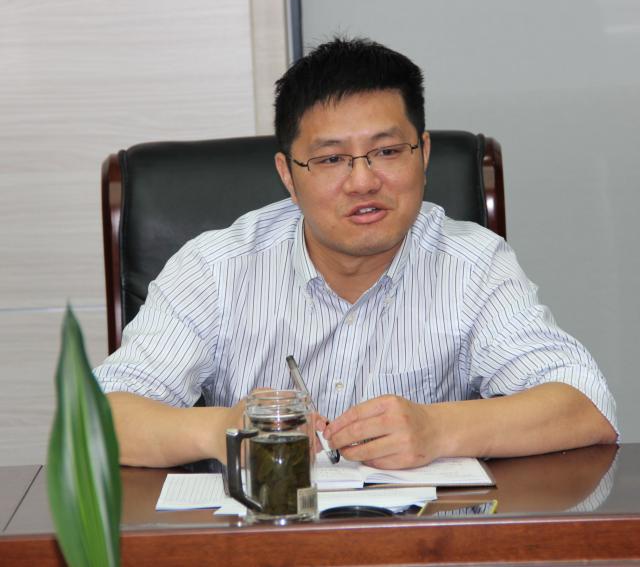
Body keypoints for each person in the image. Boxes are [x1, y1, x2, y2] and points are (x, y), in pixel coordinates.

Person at [94, 37, 617, 469]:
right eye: (330, 159)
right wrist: (222, 430)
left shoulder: (474, 264)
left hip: (427, 541)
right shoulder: (216, 269)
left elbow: (586, 406)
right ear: (287, 175)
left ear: (423, 154)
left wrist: (437, 429)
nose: (363, 181)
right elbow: (98, 421)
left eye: (387, 151)